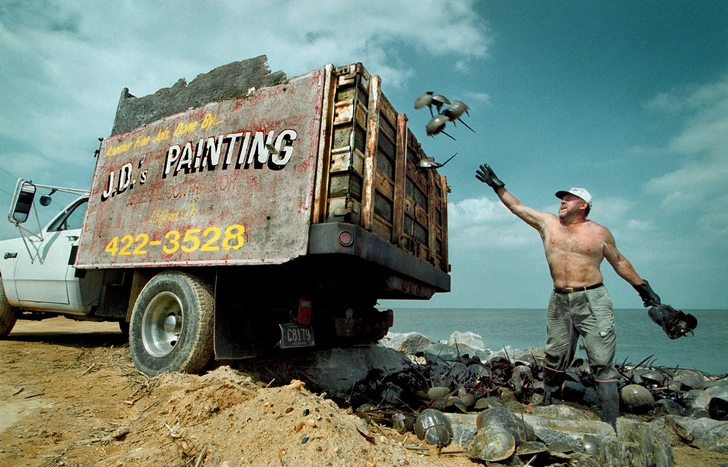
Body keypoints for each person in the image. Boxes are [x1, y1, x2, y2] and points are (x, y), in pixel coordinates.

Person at [475, 163, 661, 429]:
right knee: (555, 354)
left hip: (593, 300)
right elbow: (517, 207)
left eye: (569, 198)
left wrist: (644, 289)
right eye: (562, 198)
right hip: (560, 300)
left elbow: (619, 262)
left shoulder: (599, 232)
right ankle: (549, 403)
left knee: (600, 360)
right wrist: (497, 185)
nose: (563, 201)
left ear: (583, 205)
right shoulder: (548, 223)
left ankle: (610, 419)